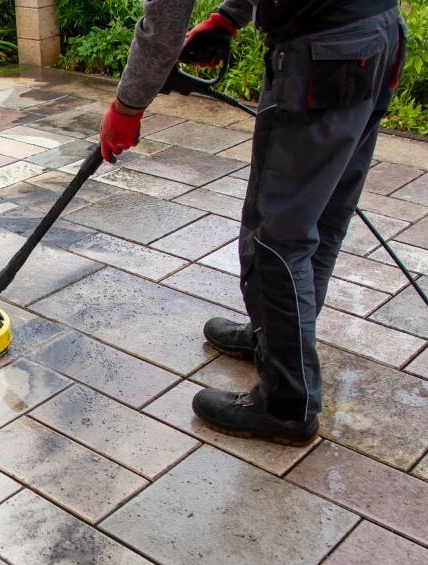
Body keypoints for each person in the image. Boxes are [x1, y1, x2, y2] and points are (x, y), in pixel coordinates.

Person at [99, 0, 406, 446]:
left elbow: (163, 25)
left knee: (279, 236)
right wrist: (229, 17)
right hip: (377, 34)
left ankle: (286, 403)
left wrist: (127, 108)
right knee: (321, 213)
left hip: (324, 53)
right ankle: (276, 341)